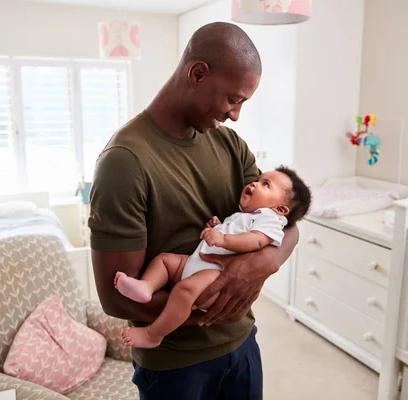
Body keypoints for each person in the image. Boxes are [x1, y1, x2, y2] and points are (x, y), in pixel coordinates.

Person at [88, 22, 300, 400]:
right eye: (233, 99)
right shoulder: (124, 161)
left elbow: (286, 225)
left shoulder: (230, 144)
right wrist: (211, 303)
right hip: (176, 366)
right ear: (198, 74)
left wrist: (262, 265)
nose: (235, 115)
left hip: (242, 344)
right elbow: (114, 296)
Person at [115, 167, 311, 349]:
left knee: (184, 291)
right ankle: (146, 286)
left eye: (266, 184)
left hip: (215, 275)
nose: (254, 183)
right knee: (165, 261)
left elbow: (257, 240)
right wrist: (216, 227)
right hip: (197, 263)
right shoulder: (244, 215)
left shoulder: (269, 219)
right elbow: (233, 233)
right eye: (258, 180)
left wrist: (223, 238)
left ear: (281, 210)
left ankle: (153, 334)